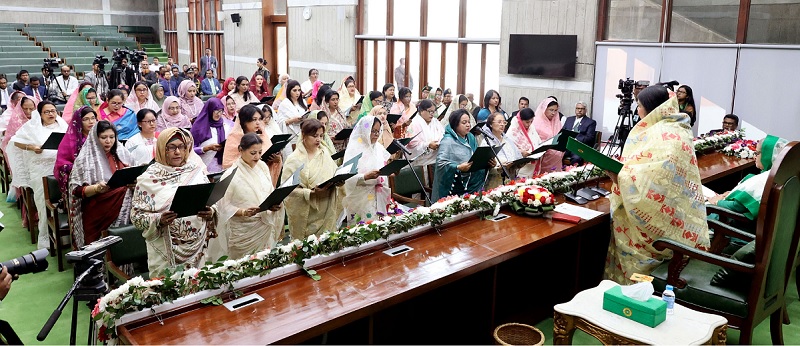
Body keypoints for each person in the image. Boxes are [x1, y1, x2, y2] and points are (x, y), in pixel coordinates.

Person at [604, 85, 710, 284]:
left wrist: (620, 175)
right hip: (676, 215)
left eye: (640, 106)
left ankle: (634, 291)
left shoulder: (662, 133)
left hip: (658, 227)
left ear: (652, 108)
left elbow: (653, 182)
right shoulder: (677, 126)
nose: (637, 111)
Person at [131, 128, 218, 277]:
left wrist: (211, 212)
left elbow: (210, 202)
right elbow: (137, 218)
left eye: (182, 147)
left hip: (199, 249)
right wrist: (159, 219)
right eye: (171, 147)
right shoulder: (149, 179)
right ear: (161, 149)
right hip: (166, 253)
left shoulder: (195, 170)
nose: (177, 152)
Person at [211, 133, 283, 260]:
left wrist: (274, 203)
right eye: (253, 153)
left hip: (264, 225)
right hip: (243, 230)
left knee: (265, 263)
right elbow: (223, 205)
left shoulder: (262, 167)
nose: (257, 157)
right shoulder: (230, 174)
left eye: (260, 152)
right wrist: (243, 212)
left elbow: (269, 191)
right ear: (240, 150)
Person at [8, 101, 68, 248]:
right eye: (47, 112)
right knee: (43, 202)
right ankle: (46, 237)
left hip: (60, 167)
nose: (51, 114)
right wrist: (31, 147)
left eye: (53, 111)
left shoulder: (63, 125)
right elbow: (15, 141)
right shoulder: (32, 127)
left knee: (65, 201)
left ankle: (65, 237)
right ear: (40, 114)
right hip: (40, 168)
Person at [69, 120, 136, 248]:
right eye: (103, 137)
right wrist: (96, 188)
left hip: (123, 203)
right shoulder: (84, 159)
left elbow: (133, 172)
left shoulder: (121, 154)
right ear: (95, 138)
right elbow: (75, 190)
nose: (108, 141)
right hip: (97, 207)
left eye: (112, 137)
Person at [282, 118, 343, 239]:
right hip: (307, 212)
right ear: (304, 135)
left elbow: (334, 172)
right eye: (314, 136)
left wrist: (339, 181)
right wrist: (310, 193)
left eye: (321, 136)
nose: (318, 139)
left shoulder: (324, 152)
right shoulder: (294, 159)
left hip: (327, 207)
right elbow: (287, 191)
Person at [707, 135, 788, 221]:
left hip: (742, 227)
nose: (754, 157)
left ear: (768, 155)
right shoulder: (783, 175)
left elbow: (737, 207)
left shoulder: (762, 182)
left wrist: (717, 202)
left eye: (757, 153)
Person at [432, 109, 494, 202]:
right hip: (456, 185)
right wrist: (457, 167)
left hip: (472, 182)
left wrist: (488, 163)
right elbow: (440, 163)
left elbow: (476, 157)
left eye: (469, 122)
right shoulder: (447, 141)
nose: (468, 125)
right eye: (464, 123)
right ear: (455, 124)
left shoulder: (471, 137)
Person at [342, 115, 392, 224]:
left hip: (379, 195)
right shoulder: (354, 149)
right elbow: (346, 177)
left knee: (382, 228)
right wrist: (365, 177)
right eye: (373, 131)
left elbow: (385, 167)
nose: (376, 134)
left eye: (378, 131)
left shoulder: (378, 147)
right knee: (365, 231)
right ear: (365, 130)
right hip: (361, 196)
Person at [222, 104, 282, 182]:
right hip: (243, 181)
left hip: (263, 179)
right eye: (254, 119)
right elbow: (228, 164)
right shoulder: (234, 138)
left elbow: (270, 154)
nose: (258, 123)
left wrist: (276, 159)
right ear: (244, 121)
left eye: (260, 119)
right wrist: (251, 159)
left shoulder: (262, 136)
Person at [55, 106, 97, 197]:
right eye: (86, 119)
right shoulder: (70, 141)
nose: (91, 122)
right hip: (79, 178)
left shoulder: (100, 137)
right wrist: (83, 168)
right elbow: (62, 165)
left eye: (93, 118)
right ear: (78, 122)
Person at [191, 98, 234, 173]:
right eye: (216, 111)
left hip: (224, 165)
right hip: (204, 167)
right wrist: (206, 148)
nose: (219, 114)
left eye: (221, 111)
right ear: (210, 110)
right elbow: (190, 150)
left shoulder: (226, 124)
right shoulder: (198, 127)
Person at [481, 112, 523, 189]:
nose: (502, 124)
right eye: (499, 122)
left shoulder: (508, 140)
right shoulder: (486, 142)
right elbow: (484, 166)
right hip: (495, 182)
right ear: (491, 124)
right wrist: (498, 167)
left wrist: (520, 162)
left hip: (510, 179)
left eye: (504, 122)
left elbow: (517, 156)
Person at [406, 99, 444, 167]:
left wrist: (440, 142)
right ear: (421, 111)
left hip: (435, 159)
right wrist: (428, 145)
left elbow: (443, 134)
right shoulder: (414, 124)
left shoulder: (436, 122)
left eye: (433, 111)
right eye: (430, 111)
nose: (432, 114)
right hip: (419, 162)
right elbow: (411, 144)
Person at [506, 108, 541, 178]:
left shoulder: (531, 127)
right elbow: (508, 148)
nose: (529, 124)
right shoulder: (513, 130)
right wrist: (521, 152)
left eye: (531, 121)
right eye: (527, 122)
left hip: (532, 163)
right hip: (520, 167)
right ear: (520, 120)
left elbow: (538, 141)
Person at [276, 79, 307, 155]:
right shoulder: (284, 104)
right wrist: (292, 120)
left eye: (299, 90)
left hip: (302, 131)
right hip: (291, 133)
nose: (297, 93)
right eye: (294, 90)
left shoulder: (303, 102)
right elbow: (280, 122)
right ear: (289, 91)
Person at [533, 97, 563, 172]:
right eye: (551, 110)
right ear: (544, 109)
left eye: (555, 110)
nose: (553, 113)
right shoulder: (536, 123)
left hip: (556, 159)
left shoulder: (557, 122)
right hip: (543, 158)